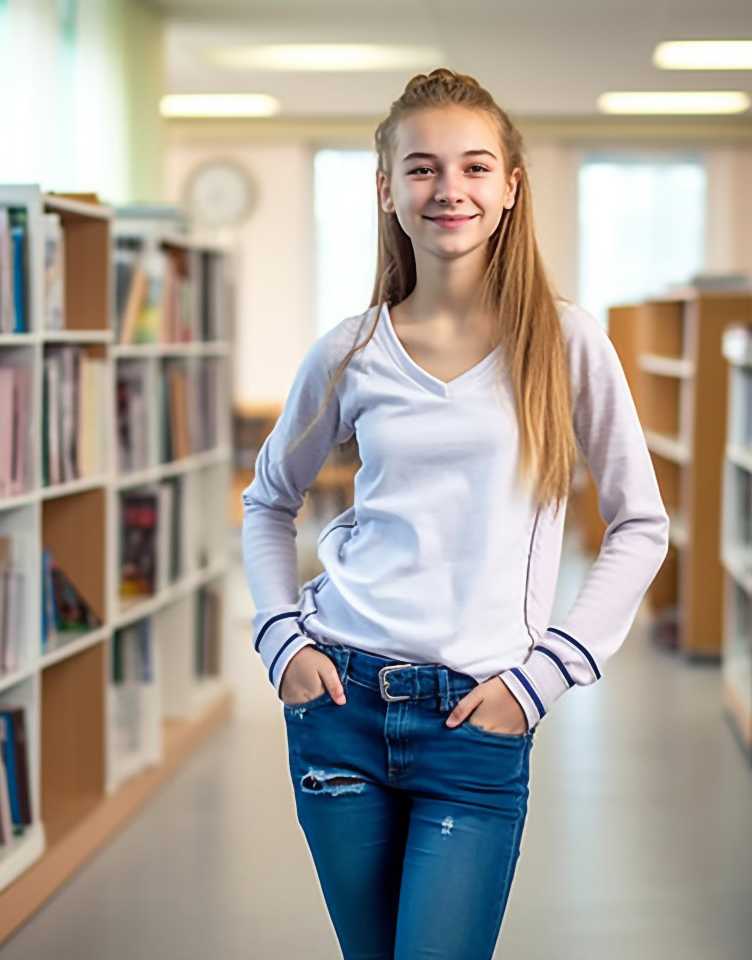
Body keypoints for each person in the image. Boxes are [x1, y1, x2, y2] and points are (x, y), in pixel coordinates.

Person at [242, 68, 669, 960]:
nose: (450, 189)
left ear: (510, 187)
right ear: (386, 189)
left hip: (476, 719)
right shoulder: (351, 351)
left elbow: (640, 524)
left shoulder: (567, 342)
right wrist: (282, 641)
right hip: (339, 704)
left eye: (475, 167)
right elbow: (270, 499)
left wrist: (543, 679)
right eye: (423, 168)